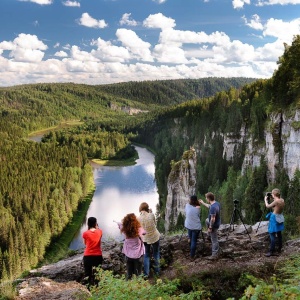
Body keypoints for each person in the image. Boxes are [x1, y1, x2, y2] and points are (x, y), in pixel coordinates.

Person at [119, 213, 145, 279]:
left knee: (129, 274)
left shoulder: (124, 229)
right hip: (138, 256)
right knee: (138, 274)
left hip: (128, 255)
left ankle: (128, 287)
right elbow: (145, 233)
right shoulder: (139, 230)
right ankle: (138, 287)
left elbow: (120, 225)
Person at [138, 202, 160, 277]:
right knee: (156, 253)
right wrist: (151, 212)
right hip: (154, 236)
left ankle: (146, 274)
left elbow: (139, 230)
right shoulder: (151, 215)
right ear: (147, 208)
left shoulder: (138, 218)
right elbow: (154, 223)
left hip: (145, 239)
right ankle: (157, 272)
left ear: (140, 209)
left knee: (146, 255)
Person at [199, 192, 221, 260]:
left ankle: (214, 255)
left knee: (214, 240)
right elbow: (209, 206)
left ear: (209, 198)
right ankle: (209, 235)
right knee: (206, 220)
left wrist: (210, 227)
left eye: (206, 198)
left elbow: (213, 219)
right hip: (217, 222)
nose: (205, 199)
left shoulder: (213, 208)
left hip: (214, 225)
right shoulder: (216, 203)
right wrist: (202, 203)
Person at [82, 217, 103, 286]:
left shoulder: (85, 233)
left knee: (87, 274)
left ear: (88, 223)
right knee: (97, 274)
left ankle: (88, 290)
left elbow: (85, 243)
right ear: (95, 223)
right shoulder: (100, 231)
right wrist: (97, 227)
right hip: (98, 256)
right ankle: (97, 289)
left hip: (88, 256)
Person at [264, 188, 285, 257]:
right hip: (280, 217)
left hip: (274, 218)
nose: (272, 195)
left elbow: (268, 206)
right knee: (279, 234)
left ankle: (271, 251)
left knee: (272, 234)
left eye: (272, 194)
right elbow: (277, 205)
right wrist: (273, 197)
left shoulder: (276, 202)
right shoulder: (282, 200)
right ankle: (279, 249)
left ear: (274, 195)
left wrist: (265, 200)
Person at [184, 195, 202, 260]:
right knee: (194, 241)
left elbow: (186, 211)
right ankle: (192, 256)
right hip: (196, 227)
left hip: (188, 225)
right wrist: (198, 203)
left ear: (191, 200)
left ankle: (191, 248)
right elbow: (199, 215)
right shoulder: (198, 208)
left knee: (190, 239)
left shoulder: (187, 206)